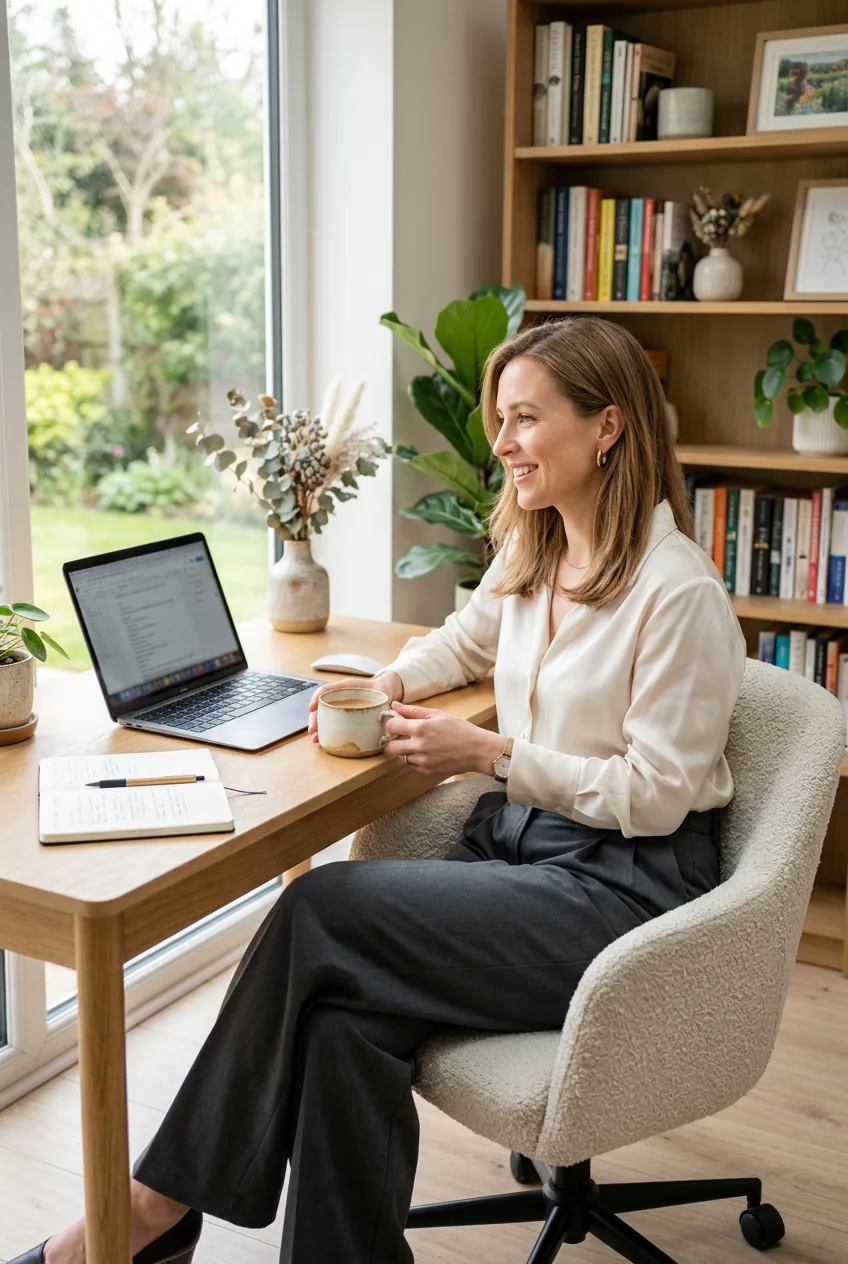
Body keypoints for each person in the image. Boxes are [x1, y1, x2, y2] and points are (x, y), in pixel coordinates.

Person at [17, 316, 746, 1264]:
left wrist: (487, 753)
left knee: (320, 908)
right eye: (500, 419)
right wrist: (392, 682)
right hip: (522, 853)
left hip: (623, 892)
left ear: (607, 427)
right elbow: (467, 640)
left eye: (525, 419)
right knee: (340, 1028)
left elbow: (656, 795)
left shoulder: (675, 592)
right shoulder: (538, 551)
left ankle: (147, 1213)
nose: (503, 443)